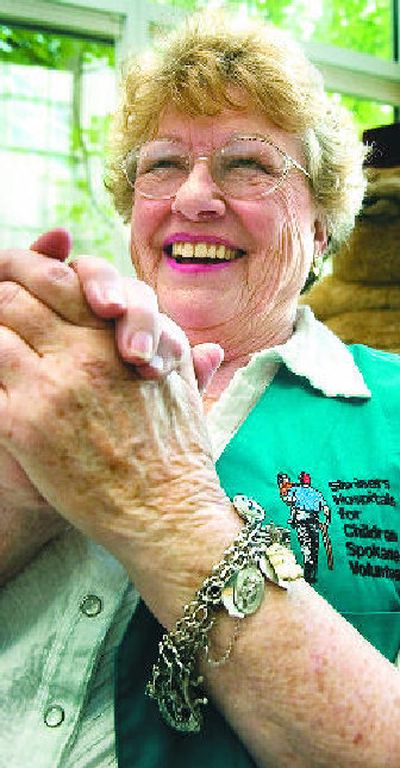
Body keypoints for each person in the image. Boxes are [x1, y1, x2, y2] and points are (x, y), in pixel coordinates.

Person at [1, 11, 400, 768]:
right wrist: (21, 490)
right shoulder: (36, 369)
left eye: (248, 164)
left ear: (321, 226)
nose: (194, 198)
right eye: (161, 165)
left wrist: (163, 509)